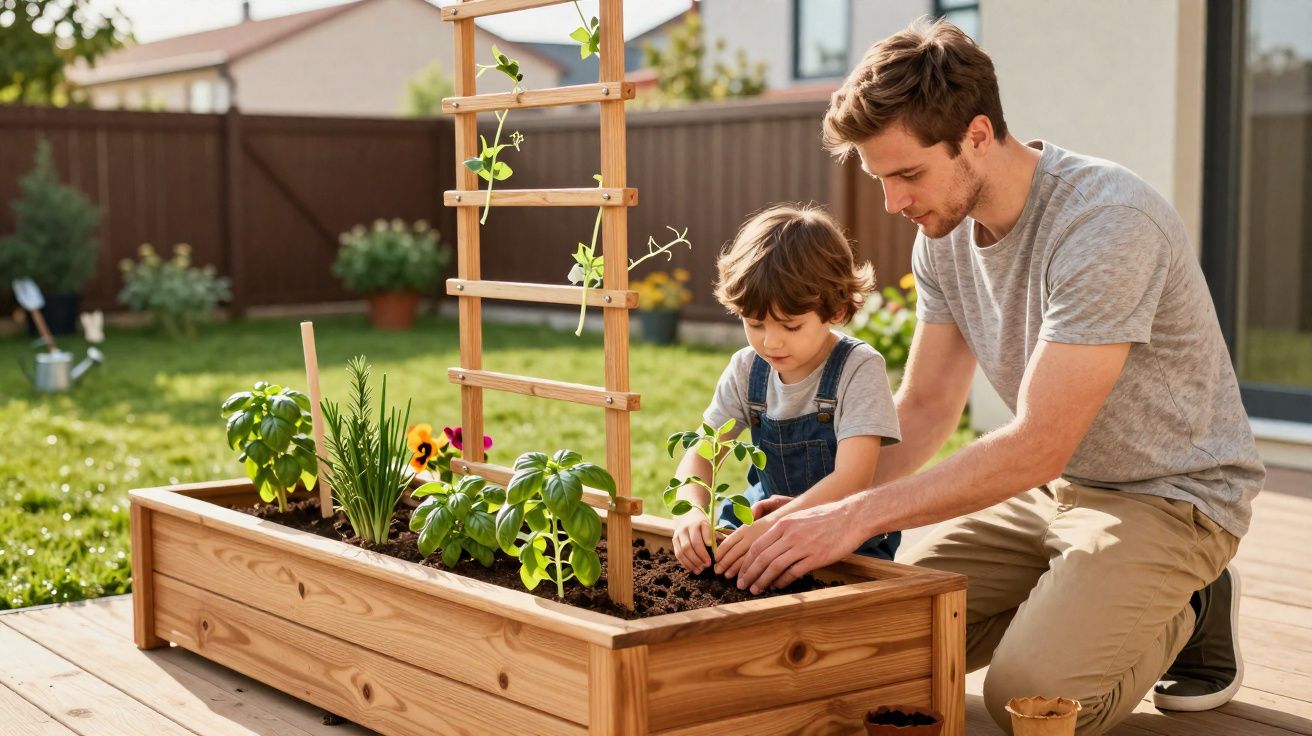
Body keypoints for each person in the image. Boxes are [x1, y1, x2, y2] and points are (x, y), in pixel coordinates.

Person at [722, 18, 1265, 736]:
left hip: (1170, 496)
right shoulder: (942, 239)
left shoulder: (1105, 223)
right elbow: (925, 407)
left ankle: (1191, 602)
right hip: (1055, 489)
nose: (892, 203)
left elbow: (1037, 442)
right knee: (886, 629)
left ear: (977, 135)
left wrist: (856, 517)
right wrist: (815, 509)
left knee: (1029, 697)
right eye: (880, 179)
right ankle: (1083, 596)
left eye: (907, 175)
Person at [669, 204, 903, 575]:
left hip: (842, 535)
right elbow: (702, 453)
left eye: (790, 326)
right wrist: (692, 511)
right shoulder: (747, 369)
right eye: (755, 323)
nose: (771, 342)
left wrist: (776, 528)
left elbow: (852, 480)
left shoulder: (858, 368)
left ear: (837, 310)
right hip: (762, 520)